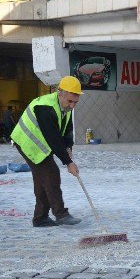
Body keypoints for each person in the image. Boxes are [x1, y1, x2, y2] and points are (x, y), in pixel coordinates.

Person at [11, 76, 83, 227]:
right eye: (70, 101)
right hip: (27, 142)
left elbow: (67, 130)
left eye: (75, 102)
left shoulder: (65, 107)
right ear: (60, 93)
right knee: (51, 174)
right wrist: (68, 162)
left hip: (41, 144)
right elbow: (53, 137)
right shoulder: (45, 107)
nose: (72, 105)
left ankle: (40, 218)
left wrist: (69, 147)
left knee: (42, 179)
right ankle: (61, 214)